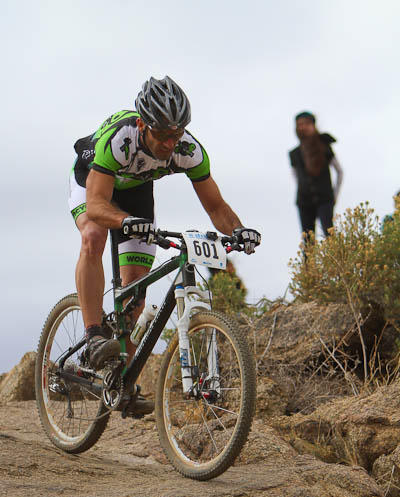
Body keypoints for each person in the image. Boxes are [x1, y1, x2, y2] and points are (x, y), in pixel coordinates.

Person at [69, 75, 261, 377]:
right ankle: (93, 334)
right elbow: (96, 205)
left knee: (136, 295)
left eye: (177, 134)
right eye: (163, 135)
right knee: (94, 235)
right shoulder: (120, 141)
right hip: (93, 182)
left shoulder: (188, 150)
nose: (171, 143)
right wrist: (123, 221)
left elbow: (216, 207)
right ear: (144, 126)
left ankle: (122, 382)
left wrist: (238, 230)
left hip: (136, 192)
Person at [289, 111, 343, 242]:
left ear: (313, 125)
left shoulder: (324, 145)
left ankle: (337, 261)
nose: (303, 127)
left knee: (329, 234)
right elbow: (296, 177)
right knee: (307, 240)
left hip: (325, 199)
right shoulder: (294, 153)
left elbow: (339, 171)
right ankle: (309, 263)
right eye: (299, 124)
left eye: (306, 124)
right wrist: (303, 189)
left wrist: (334, 195)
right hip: (304, 201)